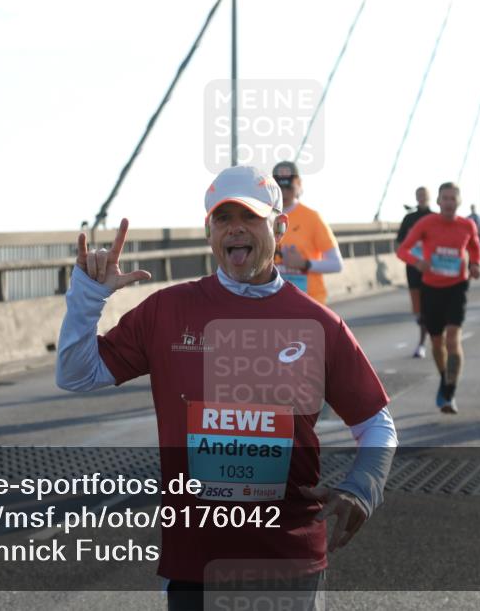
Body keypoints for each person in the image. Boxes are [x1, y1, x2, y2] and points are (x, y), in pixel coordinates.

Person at [55, 165, 397, 609]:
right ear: (209, 231)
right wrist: (86, 295)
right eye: (223, 218)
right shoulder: (167, 310)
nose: (235, 228)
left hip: (287, 560)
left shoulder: (319, 324)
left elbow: (377, 424)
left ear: (279, 226)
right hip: (195, 561)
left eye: (250, 217)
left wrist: (363, 486)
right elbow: (75, 374)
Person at [396, 183, 480, 414]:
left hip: (457, 287)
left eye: (453, 198)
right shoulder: (426, 223)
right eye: (445, 198)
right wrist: (418, 262)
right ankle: (445, 377)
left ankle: (449, 392)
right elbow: (403, 250)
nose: (449, 202)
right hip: (431, 288)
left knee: (453, 339)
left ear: (459, 201)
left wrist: (475, 264)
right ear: (438, 202)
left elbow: (475, 248)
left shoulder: (467, 225)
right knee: (437, 342)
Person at [271, 161, 344, 305]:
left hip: (310, 303)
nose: (284, 190)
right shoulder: (264, 217)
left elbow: (337, 264)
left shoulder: (312, 218)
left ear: (298, 183)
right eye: (279, 186)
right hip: (275, 302)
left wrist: (305, 264)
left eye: (288, 185)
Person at [396, 187, 434, 359]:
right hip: (413, 267)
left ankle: (422, 342)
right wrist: (413, 260)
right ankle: (425, 332)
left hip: (431, 268)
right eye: (419, 195)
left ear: (429, 198)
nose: (421, 198)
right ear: (416, 197)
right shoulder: (409, 218)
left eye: (424, 195)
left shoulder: (435, 218)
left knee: (429, 306)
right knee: (418, 310)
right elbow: (399, 244)